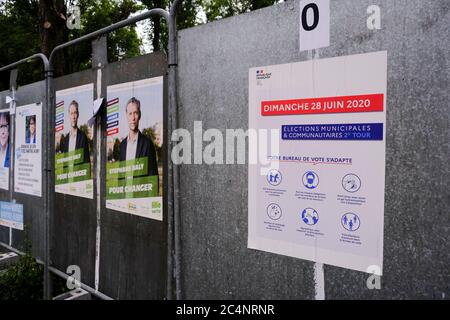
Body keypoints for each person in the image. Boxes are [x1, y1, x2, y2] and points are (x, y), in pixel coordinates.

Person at [119, 97, 158, 177]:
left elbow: (153, 178)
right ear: (126, 116)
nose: (133, 118)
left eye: (135, 113)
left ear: (139, 115)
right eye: (130, 113)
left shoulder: (147, 144)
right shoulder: (122, 145)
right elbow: (121, 177)